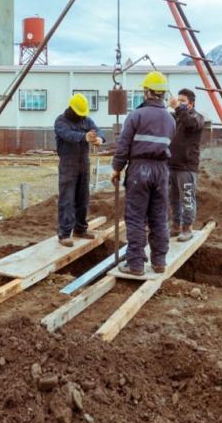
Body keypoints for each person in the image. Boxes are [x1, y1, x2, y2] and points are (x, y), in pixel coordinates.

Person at [110, 71, 176, 276]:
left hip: (140, 170)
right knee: (158, 217)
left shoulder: (136, 115)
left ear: (147, 92)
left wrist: (117, 167)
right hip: (161, 171)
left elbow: (123, 146)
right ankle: (159, 261)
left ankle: (136, 264)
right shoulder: (170, 119)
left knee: (136, 217)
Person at [54, 93, 105, 247]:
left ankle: (80, 229)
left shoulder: (86, 120)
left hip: (84, 163)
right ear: (72, 109)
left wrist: (99, 138)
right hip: (68, 165)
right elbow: (68, 135)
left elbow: (98, 130)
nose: (81, 116)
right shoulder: (61, 121)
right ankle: (64, 234)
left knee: (82, 199)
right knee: (67, 200)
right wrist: (85, 137)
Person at [168, 88, 205, 242]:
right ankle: (176, 225)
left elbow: (190, 123)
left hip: (187, 166)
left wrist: (177, 107)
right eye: (179, 100)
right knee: (173, 199)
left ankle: (187, 227)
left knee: (187, 199)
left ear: (191, 104)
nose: (180, 103)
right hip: (172, 165)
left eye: (183, 101)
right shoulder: (176, 118)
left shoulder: (197, 117)